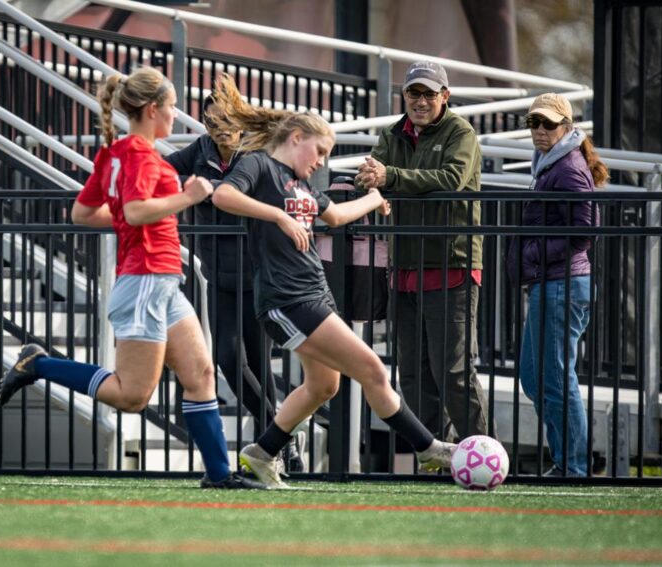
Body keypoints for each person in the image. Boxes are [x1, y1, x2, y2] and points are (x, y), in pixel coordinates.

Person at [0, 67, 265, 489]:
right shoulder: (139, 155)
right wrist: (189, 196)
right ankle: (38, 364)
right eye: (173, 107)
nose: (177, 116)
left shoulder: (117, 152)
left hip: (162, 280)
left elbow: (84, 213)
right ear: (153, 109)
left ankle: (219, 475)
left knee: (201, 376)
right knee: (131, 396)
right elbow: (138, 210)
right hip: (143, 281)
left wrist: (126, 217)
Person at [210, 73, 456, 488]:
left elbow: (336, 216)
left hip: (314, 295)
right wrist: (279, 216)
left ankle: (261, 453)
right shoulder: (260, 166)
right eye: (320, 150)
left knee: (324, 385)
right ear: (296, 137)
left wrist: (376, 199)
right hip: (287, 298)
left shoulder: (302, 184)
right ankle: (428, 448)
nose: (322, 160)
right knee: (373, 369)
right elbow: (221, 196)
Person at [166, 96, 304, 471]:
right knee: (227, 359)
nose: (219, 131)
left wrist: (214, 189)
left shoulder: (258, 153)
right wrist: (195, 185)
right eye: (211, 124)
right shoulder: (200, 149)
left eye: (225, 123)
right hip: (218, 271)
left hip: (258, 270)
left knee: (259, 363)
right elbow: (162, 171)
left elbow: (265, 191)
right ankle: (283, 433)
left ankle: (275, 449)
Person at [355, 61, 489, 443]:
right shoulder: (392, 133)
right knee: (413, 373)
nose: (420, 100)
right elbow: (376, 176)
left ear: (445, 97)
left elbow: (451, 179)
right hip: (404, 269)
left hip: (453, 265)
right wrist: (370, 184)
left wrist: (389, 178)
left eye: (429, 94)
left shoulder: (460, 131)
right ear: (404, 96)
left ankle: (485, 455)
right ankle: (435, 456)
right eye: (414, 93)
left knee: (454, 373)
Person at [506, 93, 607, 477]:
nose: (540, 131)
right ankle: (567, 460)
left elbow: (586, 230)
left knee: (556, 380)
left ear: (566, 127)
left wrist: (532, 255)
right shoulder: (549, 163)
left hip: (563, 284)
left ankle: (573, 466)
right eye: (534, 123)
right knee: (536, 378)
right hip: (552, 283)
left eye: (548, 124)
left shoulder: (567, 167)